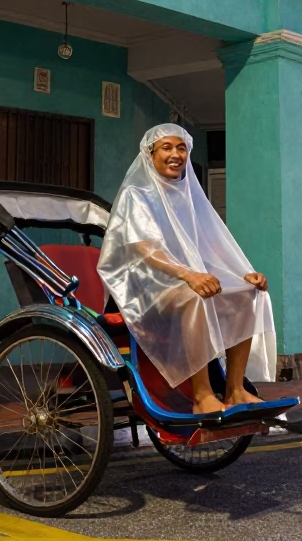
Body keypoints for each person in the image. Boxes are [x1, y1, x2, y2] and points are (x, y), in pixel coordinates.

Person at [97, 124, 276, 414]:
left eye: (181, 148)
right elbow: (146, 249)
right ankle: (202, 397)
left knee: (245, 295)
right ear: (150, 154)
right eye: (166, 147)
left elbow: (212, 245)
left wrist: (242, 274)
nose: (176, 154)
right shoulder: (136, 194)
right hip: (143, 289)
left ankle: (235, 390)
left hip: (181, 283)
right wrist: (189, 275)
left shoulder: (189, 198)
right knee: (196, 298)